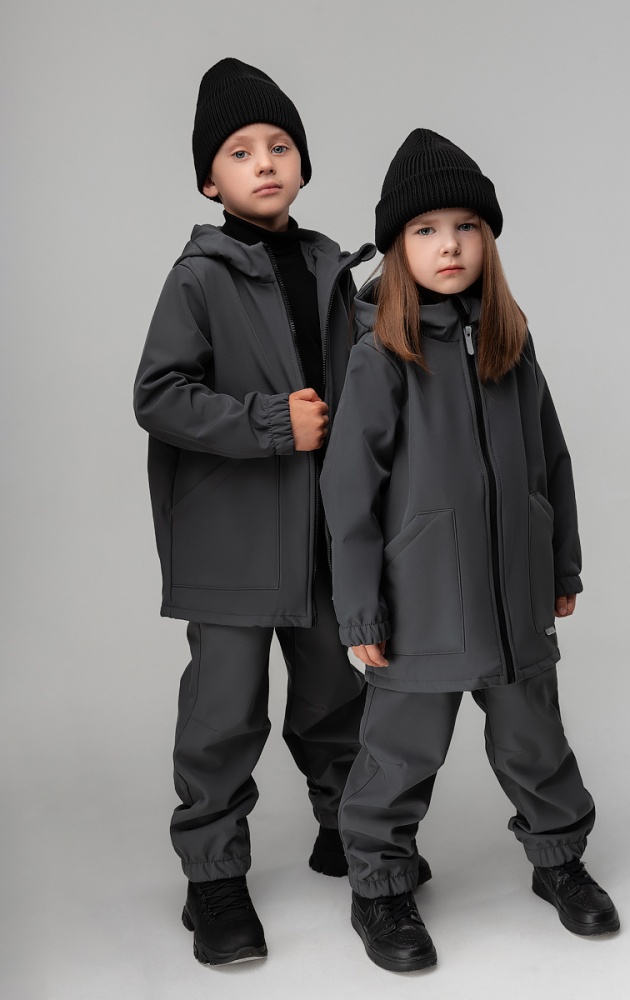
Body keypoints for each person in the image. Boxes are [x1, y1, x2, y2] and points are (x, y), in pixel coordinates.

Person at [320, 128, 619, 973]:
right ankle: (380, 886)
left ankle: (559, 860)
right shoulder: (382, 358)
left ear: (487, 240)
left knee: (536, 740)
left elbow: (550, 460)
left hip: (514, 596)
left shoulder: (510, 345)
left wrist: (561, 563)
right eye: (425, 230)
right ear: (398, 248)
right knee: (399, 752)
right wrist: (360, 609)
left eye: (466, 227)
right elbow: (349, 495)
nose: (448, 245)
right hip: (419, 605)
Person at [133, 58, 375, 966]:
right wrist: (273, 422)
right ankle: (214, 879)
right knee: (225, 712)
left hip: (324, 536)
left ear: (303, 165)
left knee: (335, 695)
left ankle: (349, 832)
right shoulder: (198, 277)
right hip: (231, 538)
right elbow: (159, 395)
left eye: (280, 146)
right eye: (240, 152)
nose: (264, 162)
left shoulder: (330, 270)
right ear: (210, 181)